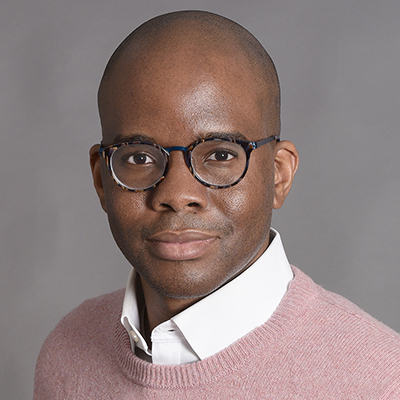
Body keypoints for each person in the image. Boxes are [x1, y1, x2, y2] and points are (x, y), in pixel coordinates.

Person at [34, 10, 400, 399]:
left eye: (221, 155)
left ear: (278, 174)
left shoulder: (378, 381)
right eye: (139, 157)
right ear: (101, 179)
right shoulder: (66, 353)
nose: (176, 194)